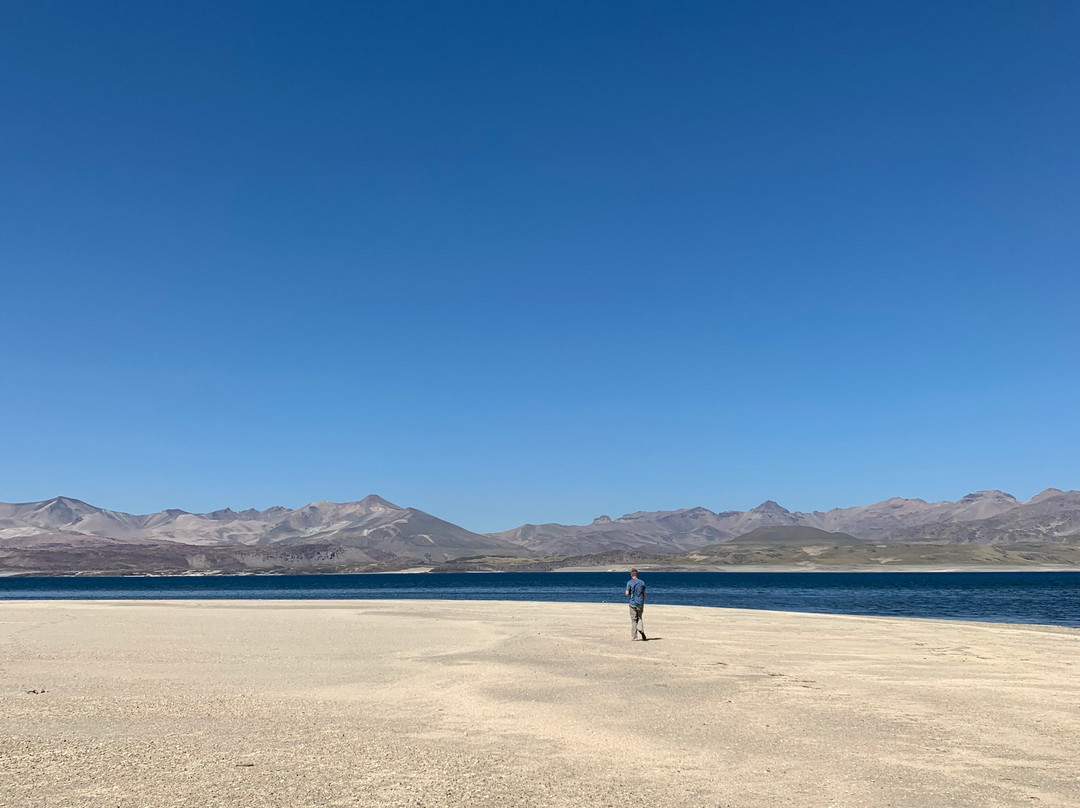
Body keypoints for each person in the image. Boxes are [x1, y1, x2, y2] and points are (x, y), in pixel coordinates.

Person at [625, 568, 647, 641]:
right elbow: (644, 593)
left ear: (631, 575)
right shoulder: (642, 582)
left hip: (632, 603)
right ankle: (641, 630)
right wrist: (643, 600)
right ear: (637, 574)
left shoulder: (629, 582)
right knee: (639, 617)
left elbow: (627, 593)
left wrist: (629, 592)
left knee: (634, 620)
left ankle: (634, 636)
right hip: (640, 602)